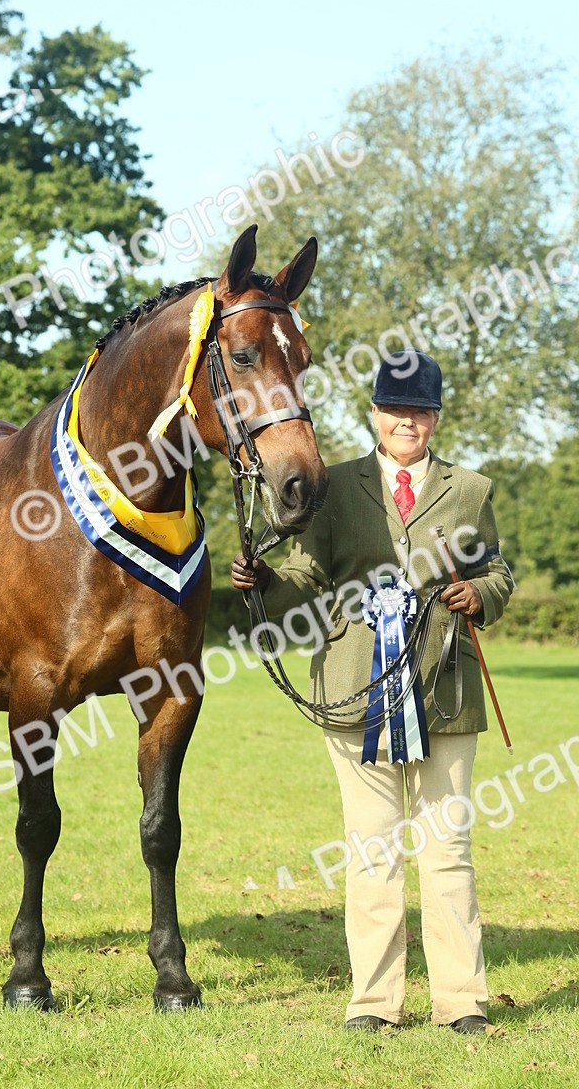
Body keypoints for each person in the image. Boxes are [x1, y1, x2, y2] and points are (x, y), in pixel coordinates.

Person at [231, 350, 514, 1034]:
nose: (407, 421)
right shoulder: (334, 486)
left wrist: (479, 592)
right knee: (374, 849)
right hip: (356, 690)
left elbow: (498, 570)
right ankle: (375, 1003)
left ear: (436, 419)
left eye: (420, 410)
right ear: (374, 415)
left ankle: (461, 1001)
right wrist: (266, 583)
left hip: (445, 689)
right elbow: (306, 572)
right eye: (396, 410)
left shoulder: (471, 491)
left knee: (446, 846)